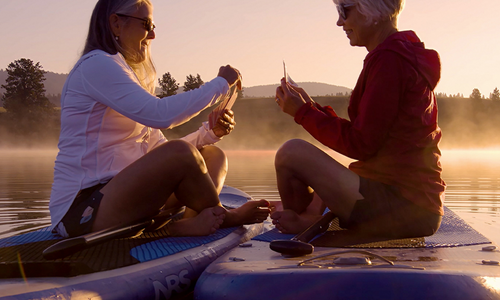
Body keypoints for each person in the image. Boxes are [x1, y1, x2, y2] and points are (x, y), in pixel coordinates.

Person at [50, 0, 270, 238]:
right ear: (116, 23)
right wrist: (221, 83)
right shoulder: (96, 64)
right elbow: (162, 116)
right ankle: (224, 216)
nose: (153, 34)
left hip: (122, 197)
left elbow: (160, 150)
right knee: (181, 153)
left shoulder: (123, 74)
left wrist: (210, 133)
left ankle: (189, 222)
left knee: (211, 155)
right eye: (147, 24)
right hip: (82, 211)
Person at [271, 0, 445, 239]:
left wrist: (303, 113)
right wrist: (311, 107)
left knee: (290, 153)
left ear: (372, 10)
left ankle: (305, 221)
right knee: (315, 159)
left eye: (345, 10)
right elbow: (367, 135)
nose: (340, 21)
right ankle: (309, 219)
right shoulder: (397, 54)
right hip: (411, 203)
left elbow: (361, 144)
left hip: (405, 207)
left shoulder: (390, 60)